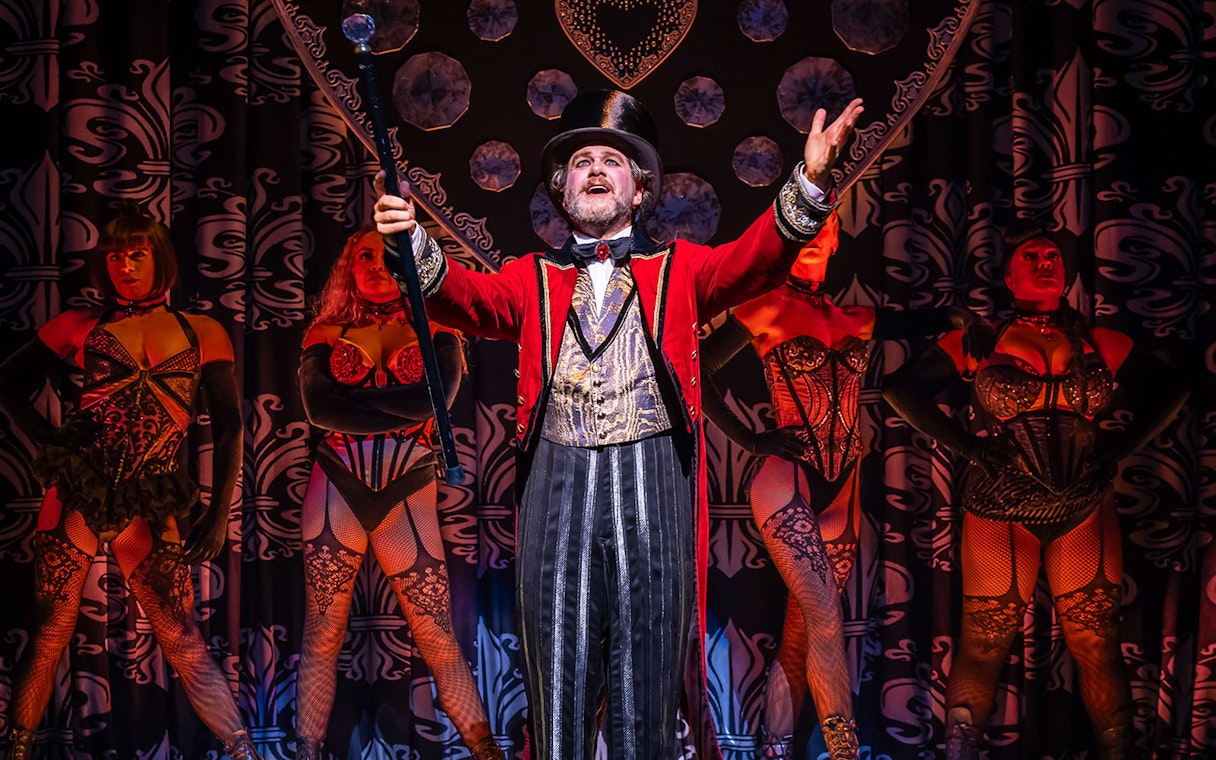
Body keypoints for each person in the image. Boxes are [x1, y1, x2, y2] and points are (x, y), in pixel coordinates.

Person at [374, 88, 865, 760]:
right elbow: (462, 297)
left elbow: (759, 258)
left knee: (648, 685)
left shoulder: (681, 270)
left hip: (652, 484)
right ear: (561, 188)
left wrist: (808, 181)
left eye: (612, 160)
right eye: (581, 162)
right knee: (559, 685)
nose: (596, 169)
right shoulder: (529, 279)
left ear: (639, 192)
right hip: (556, 485)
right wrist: (410, 242)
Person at [881, 220, 1188, 760]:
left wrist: (1120, 448)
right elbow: (899, 389)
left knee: (1096, 644)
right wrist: (970, 449)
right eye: (1032, 255)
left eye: (1052, 255)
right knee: (983, 644)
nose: (1046, 260)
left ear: (1067, 274)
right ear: (1008, 274)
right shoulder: (982, 340)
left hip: (1082, 507)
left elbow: (1174, 388)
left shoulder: (1100, 341)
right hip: (1000, 508)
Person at [699, 211, 991, 759]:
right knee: (827, 615)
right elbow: (693, 369)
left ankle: (774, 750)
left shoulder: (854, 318)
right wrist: (752, 439)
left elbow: (918, 320)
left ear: (835, 239)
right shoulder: (764, 307)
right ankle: (845, 753)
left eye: (824, 227)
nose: (813, 237)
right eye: (804, 228)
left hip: (843, 490)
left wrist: (959, 314)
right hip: (787, 482)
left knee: (802, 634)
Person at [0, 205, 257, 759]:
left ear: (158, 257)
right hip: (78, 489)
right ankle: (14, 750)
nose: (123, 265)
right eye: (114, 256)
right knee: (50, 631)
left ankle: (244, 752)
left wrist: (218, 513)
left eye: (136, 253)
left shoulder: (202, 331)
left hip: (149, 492)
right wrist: (53, 442)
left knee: (182, 637)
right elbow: (8, 380)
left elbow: (230, 425)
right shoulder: (82, 325)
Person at [293, 227, 502, 760]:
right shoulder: (327, 329)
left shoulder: (437, 323)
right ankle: (308, 750)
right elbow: (321, 410)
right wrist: (404, 407)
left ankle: (485, 750)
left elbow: (439, 400)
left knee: (435, 632)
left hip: (404, 487)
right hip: (338, 483)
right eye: (362, 256)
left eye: (386, 256)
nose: (373, 265)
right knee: (323, 630)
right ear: (349, 267)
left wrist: (363, 406)